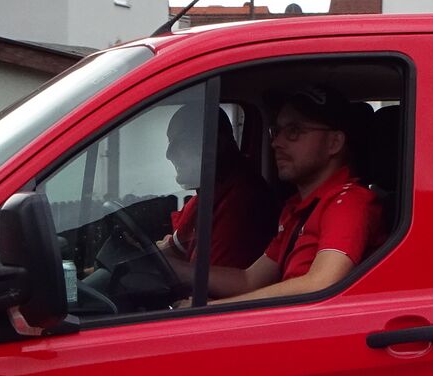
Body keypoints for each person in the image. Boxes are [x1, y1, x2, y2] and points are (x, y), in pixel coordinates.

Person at [194, 86, 383, 305]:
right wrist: (177, 270)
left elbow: (321, 284)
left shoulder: (348, 203)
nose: (276, 143)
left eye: (294, 131)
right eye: (277, 131)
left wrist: (211, 309)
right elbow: (249, 280)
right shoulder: (298, 208)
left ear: (334, 143)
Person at [155, 105, 276, 270]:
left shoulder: (242, 203)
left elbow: (208, 283)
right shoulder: (208, 193)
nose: (169, 154)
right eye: (170, 143)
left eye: (180, 142)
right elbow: (172, 248)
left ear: (215, 144)